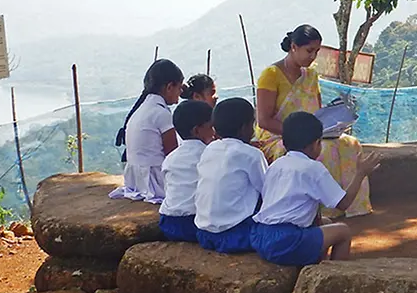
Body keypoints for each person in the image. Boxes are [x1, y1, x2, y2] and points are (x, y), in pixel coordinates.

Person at [255, 25, 371, 218]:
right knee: (324, 151)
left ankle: (354, 207)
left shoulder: (311, 75)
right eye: (309, 51)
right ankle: (324, 213)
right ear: (294, 47)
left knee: (350, 144)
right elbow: (264, 120)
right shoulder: (271, 75)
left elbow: (318, 112)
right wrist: (298, 134)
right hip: (280, 137)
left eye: (316, 51)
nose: (313, 56)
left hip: (311, 133)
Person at [251, 112, 382, 265]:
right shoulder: (313, 168)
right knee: (343, 231)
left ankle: (316, 265)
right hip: (286, 241)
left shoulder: (276, 165)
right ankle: (333, 274)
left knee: (324, 221)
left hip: (261, 236)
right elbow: (343, 203)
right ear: (315, 144)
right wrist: (360, 173)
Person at [194, 98, 268, 253]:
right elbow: (267, 190)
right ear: (244, 128)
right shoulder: (252, 155)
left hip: (204, 234)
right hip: (237, 234)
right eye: (252, 124)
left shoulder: (209, 149)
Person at [110, 59, 184, 203]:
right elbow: (172, 155)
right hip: (155, 181)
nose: (180, 93)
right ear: (169, 87)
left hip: (136, 180)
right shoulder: (161, 113)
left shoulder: (142, 109)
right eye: (179, 87)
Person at [158, 100, 214, 242]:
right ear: (196, 130)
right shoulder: (209, 155)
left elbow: (168, 189)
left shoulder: (170, 158)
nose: (214, 132)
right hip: (194, 223)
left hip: (168, 222)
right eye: (210, 127)